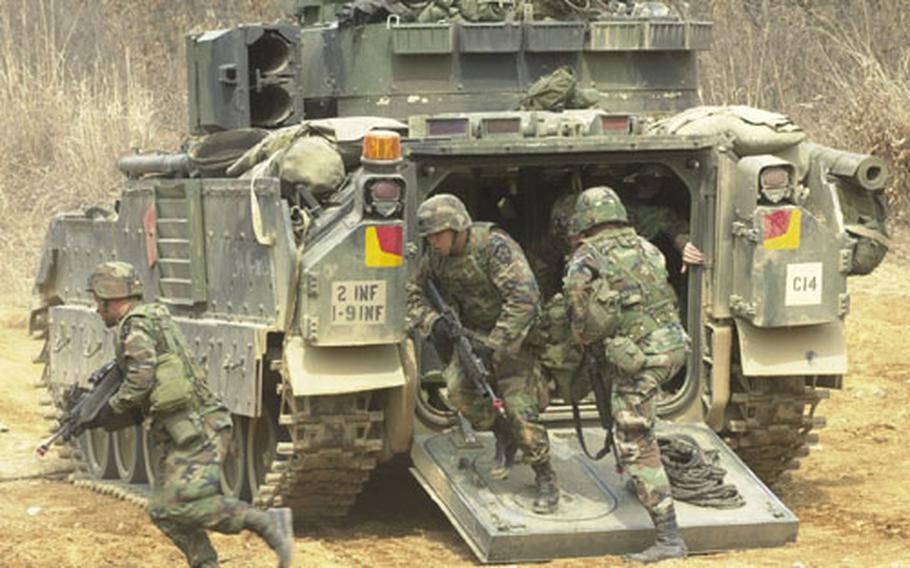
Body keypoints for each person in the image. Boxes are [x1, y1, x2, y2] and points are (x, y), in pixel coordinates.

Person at [83, 261, 294, 568]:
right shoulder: (150, 317)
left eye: (97, 301)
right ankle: (205, 563)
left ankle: (265, 522)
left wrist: (109, 409)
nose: (95, 308)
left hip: (200, 428)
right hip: (185, 429)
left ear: (109, 296)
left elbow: (141, 377)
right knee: (161, 510)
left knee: (184, 506)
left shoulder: (136, 325)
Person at [406, 194, 559, 514]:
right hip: (472, 337)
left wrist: (495, 346)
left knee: (521, 414)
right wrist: (433, 323)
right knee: (460, 392)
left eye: (438, 234)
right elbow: (412, 293)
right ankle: (503, 434)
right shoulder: (435, 259)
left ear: (458, 227)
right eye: (428, 236)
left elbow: (525, 300)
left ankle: (545, 476)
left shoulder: (493, 247)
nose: (432, 242)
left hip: (514, 341)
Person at [563, 186, 690, 563]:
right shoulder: (648, 247)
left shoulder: (586, 257)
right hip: (673, 348)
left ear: (585, 222)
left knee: (634, 436)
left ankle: (669, 538)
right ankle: (637, 480)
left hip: (641, 357)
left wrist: (584, 342)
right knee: (635, 423)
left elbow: (579, 316)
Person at [621, 165, 704, 272]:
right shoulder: (617, 206)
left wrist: (685, 246)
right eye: (647, 179)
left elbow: (676, 228)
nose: (652, 184)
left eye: (657, 179)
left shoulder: (659, 214)